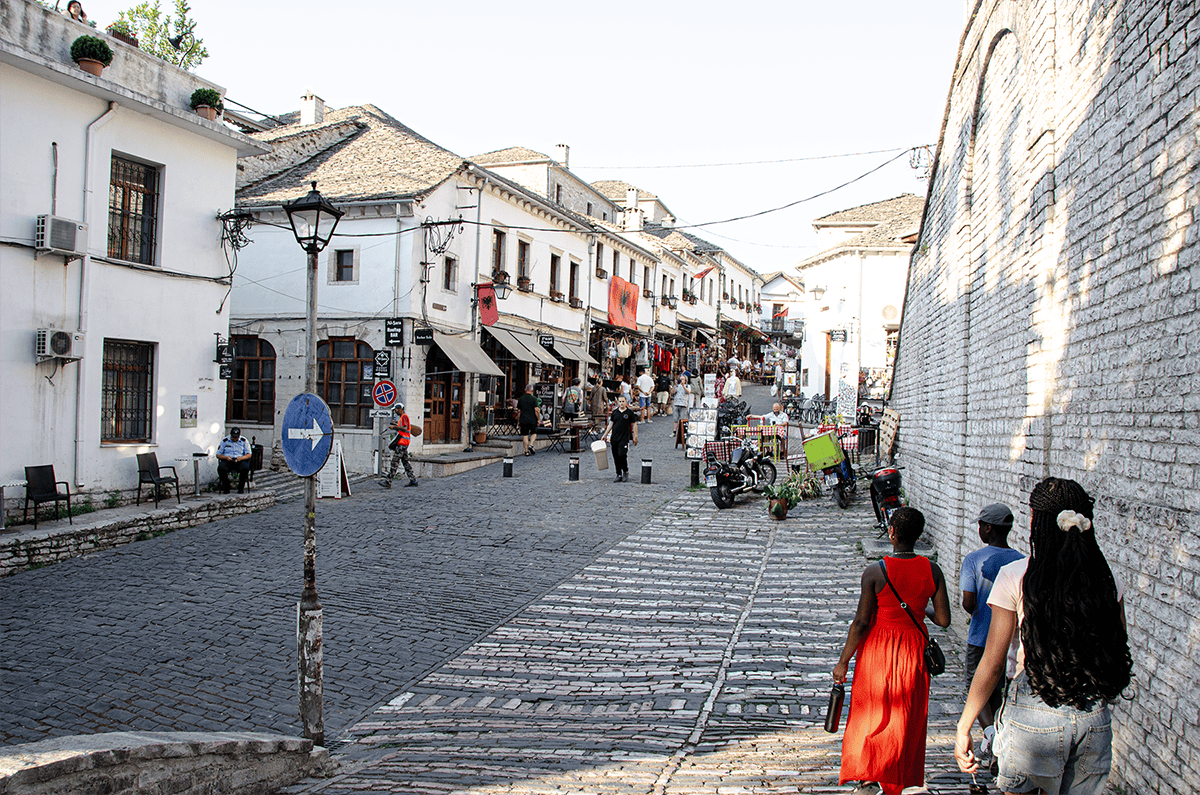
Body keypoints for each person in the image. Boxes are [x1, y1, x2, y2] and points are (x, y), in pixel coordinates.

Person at [955, 478, 1132, 795]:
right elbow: (1118, 644)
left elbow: (993, 663)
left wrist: (964, 725)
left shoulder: (1017, 576)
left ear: (1037, 523)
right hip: (1092, 711)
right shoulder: (1107, 578)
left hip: (1033, 709)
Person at [834, 507, 952, 795]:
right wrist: (915, 606)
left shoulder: (875, 572)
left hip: (878, 647)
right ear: (919, 535)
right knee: (905, 714)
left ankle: (869, 775)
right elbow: (944, 620)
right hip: (913, 648)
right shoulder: (932, 570)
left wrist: (843, 662)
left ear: (891, 533)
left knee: (872, 711)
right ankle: (897, 773)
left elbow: (861, 622)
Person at [958, 503, 1024, 755]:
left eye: (979, 525)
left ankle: (990, 734)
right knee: (1003, 690)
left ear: (988, 528)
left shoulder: (973, 560)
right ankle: (1002, 731)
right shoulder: (1021, 560)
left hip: (981, 635)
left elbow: (968, 601)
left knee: (978, 683)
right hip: (1011, 640)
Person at [602, 394, 639, 482]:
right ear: (617, 402)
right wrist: (605, 435)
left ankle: (625, 471)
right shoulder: (615, 412)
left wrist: (635, 436)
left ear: (626, 402)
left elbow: (634, 425)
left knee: (622, 454)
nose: (621, 403)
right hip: (614, 437)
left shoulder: (629, 413)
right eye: (620, 401)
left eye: (623, 401)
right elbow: (611, 424)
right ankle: (618, 473)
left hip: (624, 437)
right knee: (615, 456)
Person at [381, 403, 418, 488]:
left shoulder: (404, 417)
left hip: (402, 443)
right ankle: (413, 480)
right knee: (405, 462)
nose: (395, 411)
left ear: (400, 409)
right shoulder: (403, 417)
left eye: (396, 409)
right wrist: (397, 424)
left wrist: (394, 427)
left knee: (394, 462)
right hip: (404, 443)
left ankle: (388, 481)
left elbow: (405, 428)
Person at [215, 426, 252, 494]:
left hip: (239, 460)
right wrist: (226, 458)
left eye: (236, 438)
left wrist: (241, 458)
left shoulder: (244, 441)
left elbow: (249, 454)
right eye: (233, 437)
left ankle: (241, 487)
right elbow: (218, 454)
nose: (234, 439)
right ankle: (226, 486)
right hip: (228, 460)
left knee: (245, 468)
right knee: (221, 468)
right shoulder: (224, 441)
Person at [517, 383, 541, 456]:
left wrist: (518, 421)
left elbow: (519, 411)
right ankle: (531, 444)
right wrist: (538, 419)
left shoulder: (521, 399)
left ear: (525, 390)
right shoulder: (534, 399)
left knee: (525, 435)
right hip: (532, 419)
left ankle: (526, 451)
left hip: (523, 419)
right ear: (532, 390)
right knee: (534, 433)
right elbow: (536, 410)